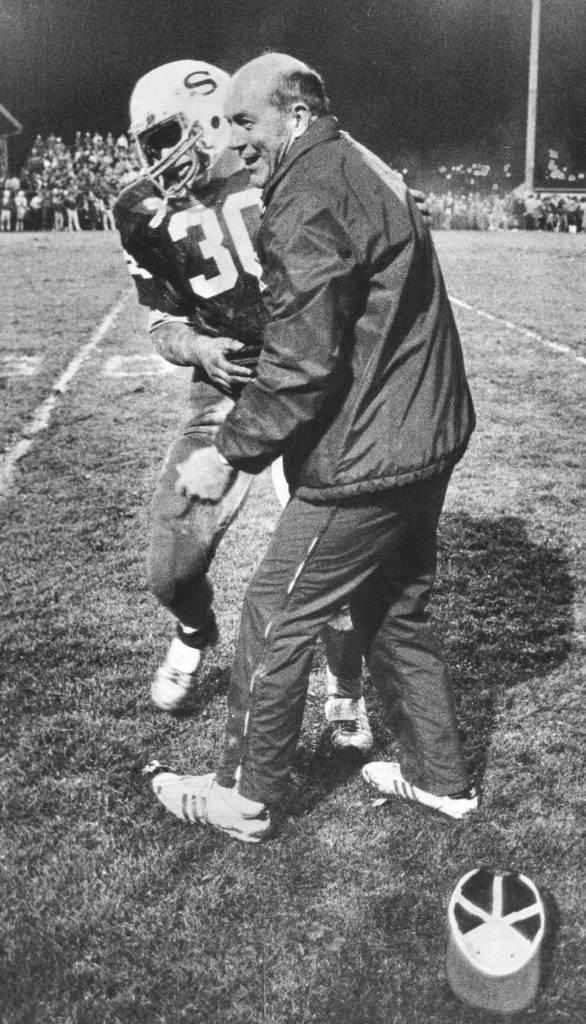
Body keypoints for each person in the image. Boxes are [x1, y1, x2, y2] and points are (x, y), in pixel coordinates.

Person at [147, 53, 478, 844]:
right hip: (425, 431)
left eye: (247, 122)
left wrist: (227, 450)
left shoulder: (306, 188)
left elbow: (301, 361)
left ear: (294, 115)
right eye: (226, 123)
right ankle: (442, 781)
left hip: (370, 451)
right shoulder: (355, 156)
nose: (235, 140)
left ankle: (244, 795)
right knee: (396, 607)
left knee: (272, 612)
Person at [115, 60, 372, 752]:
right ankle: (196, 630)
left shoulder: (280, 173)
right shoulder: (141, 212)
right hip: (225, 386)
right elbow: (163, 325)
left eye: (164, 134)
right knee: (169, 565)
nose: (153, 157)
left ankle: (345, 689)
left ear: (208, 120)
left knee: (328, 558)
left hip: (313, 383)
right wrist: (200, 349)